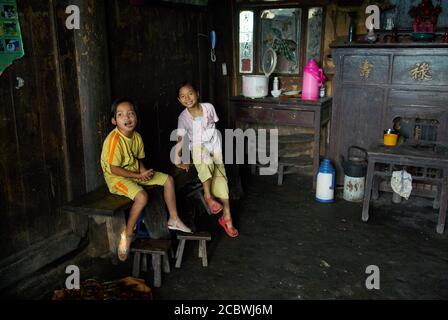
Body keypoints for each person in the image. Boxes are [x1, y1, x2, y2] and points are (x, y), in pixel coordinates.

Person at [101, 97, 191, 261]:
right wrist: (138, 176)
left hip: (134, 172)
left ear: (136, 116)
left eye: (131, 114)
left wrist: (144, 173)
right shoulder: (115, 140)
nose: (127, 118)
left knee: (168, 180)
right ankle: (127, 235)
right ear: (114, 120)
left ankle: (174, 218)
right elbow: (114, 169)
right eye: (121, 115)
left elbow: (137, 159)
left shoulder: (136, 137)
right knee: (142, 197)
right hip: (116, 178)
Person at [175, 82, 239, 238]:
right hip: (197, 147)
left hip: (214, 144)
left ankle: (227, 218)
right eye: (183, 96)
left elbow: (213, 127)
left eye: (190, 93)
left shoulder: (209, 108)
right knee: (206, 162)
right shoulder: (183, 117)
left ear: (197, 93)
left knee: (222, 178)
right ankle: (208, 196)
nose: (187, 98)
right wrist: (178, 161)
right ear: (179, 100)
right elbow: (180, 139)